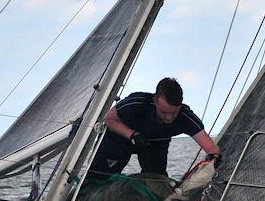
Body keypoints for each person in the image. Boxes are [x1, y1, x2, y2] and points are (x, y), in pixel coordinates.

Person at [87, 77, 220, 182]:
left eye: (174, 113)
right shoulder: (137, 102)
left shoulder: (185, 117)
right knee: (98, 177)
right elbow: (109, 119)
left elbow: (211, 148)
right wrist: (133, 135)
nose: (169, 118)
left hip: (153, 146)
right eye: (164, 112)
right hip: (119, 139)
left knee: (156, 181)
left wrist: (214, 157)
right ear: (155, 101)